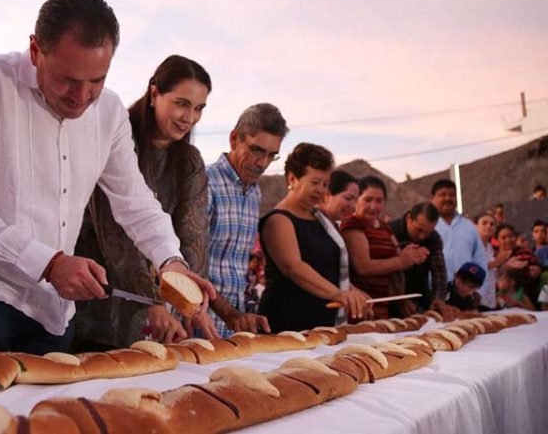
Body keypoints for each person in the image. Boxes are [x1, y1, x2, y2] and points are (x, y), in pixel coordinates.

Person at [0, 0, 215, 363]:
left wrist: (170, 260)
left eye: (96, 80)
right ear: (36, 51)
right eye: (68, 79)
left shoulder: (111, 111)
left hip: (54, 311)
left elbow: (133, 199)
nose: (82, 97)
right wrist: (49, 264)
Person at [73, 55, 215, 348]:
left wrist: (192, 304)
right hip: (97, 299)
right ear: (154, 94)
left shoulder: (190, 162)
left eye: (199, 108)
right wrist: (152, 302)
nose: (190, 117)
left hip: (160, 313)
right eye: (181, 103)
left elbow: (193, 236)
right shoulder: (117, 139)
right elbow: (116, 235)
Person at [259, 143, 370, 331]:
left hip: (323, 324)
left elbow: (325, 268)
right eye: (315, 182)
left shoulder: (321, 220)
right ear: (292, 179)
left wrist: (351, 291)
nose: (321, 190)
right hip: (287, 324)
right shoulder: (278, 220)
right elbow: (294, 267)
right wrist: (338, 294)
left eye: (325, 184)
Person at [205, 103, 288, 338]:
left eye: (271, 155)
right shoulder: (203, 183)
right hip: (193, 325)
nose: (262, 163)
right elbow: (189, 264)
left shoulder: (254, 192)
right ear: (234, 139)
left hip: (231, 328)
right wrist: (230, 314)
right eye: (256, 150)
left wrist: (241, 315)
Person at [341, 176, 429, 319]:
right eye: (368, 200)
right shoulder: (352, 225)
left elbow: (396, 259)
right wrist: (401, 261)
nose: (374, 206)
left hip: (385, 309)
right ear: (357, 199)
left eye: (379, 201)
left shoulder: (384, 226)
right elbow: (363, 267)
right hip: (363, 309)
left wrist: (410, 255)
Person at [389, 202, 447, 312]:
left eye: (427, 232)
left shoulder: (434, 238)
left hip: (420, 300)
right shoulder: (390, 231)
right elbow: (384, 270)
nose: (422, 236)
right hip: (389, 299)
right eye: (419, 229)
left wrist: (438, 300)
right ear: (409, 218)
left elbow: (439, 273)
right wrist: (400, 299)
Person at [430, 179, 488, 282]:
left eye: (452, 195)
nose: (448, 198)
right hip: (432, 291)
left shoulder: (469, 227)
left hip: (464, 292)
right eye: (442, 194)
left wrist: (479, 290)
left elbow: (480, 260)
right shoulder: (426, 225)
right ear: (432, 198)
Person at [475, 213, 506, 310]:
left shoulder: (490, 247)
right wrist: (499, 260)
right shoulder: (472, 245)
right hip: (475, 296)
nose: (488, 226)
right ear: (475, 226)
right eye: (484, 223)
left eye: (492, 224)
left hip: (490, 296)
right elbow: (476, 267)